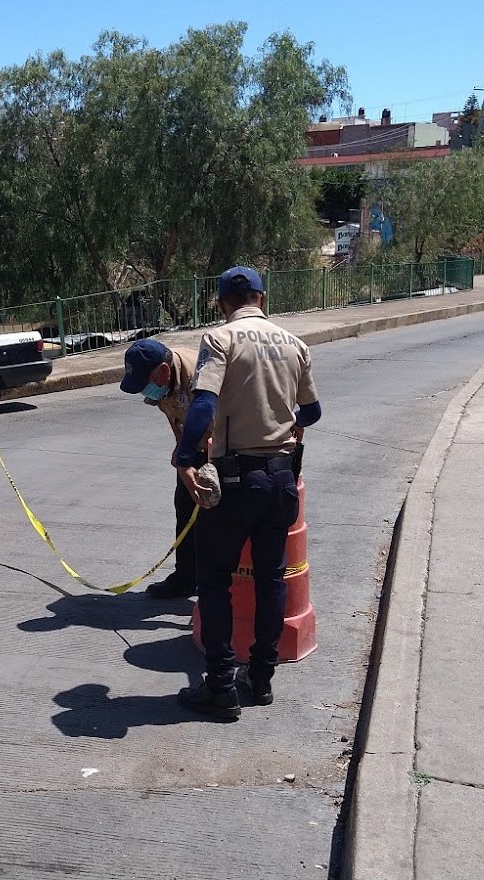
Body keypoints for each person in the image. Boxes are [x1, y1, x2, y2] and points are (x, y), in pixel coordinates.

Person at [171, 266, 321, 720]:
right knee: (271, 577)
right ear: (263, 298)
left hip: (236, 480)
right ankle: (260, 677)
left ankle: (220, 684)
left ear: (222, 303)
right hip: (281, 480)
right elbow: (312, 412)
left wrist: (184, 458)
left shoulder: (220, 340)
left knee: (214, 579)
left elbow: (203, 403)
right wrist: (284, 421)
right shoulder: (295, 345)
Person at [119, 338, 209, 600]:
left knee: (213, 519)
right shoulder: (161, 383)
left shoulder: (199, 376)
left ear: (163, 370)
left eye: (145, 384)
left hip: (223, 445)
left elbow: (222, 422)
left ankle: (214, 585)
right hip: (193, 448)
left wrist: (203, 465)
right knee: (184, 508)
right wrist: (182, 448)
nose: (145, 392)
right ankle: (185, 578)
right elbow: (172, 413)